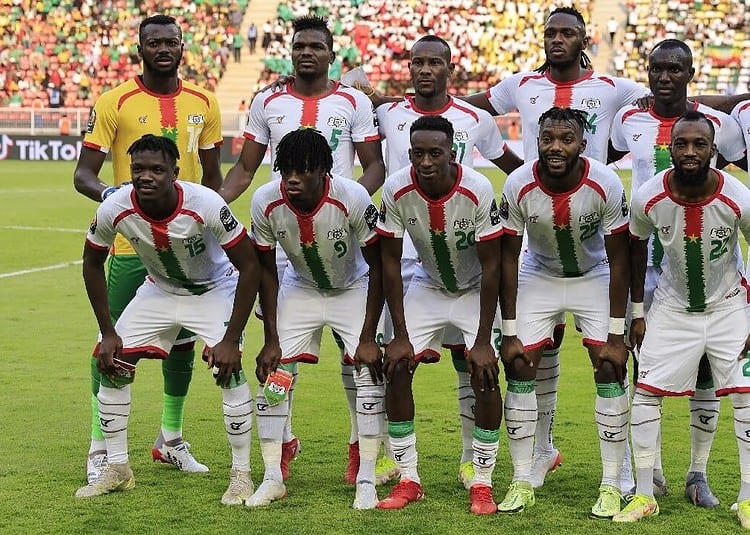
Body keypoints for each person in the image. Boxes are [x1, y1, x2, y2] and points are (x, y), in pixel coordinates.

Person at [461, 6, 647, 493]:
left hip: (594, 261)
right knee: (526, 356)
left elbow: (665, 97)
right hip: (538, 260)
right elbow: (465, 108)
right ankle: (535, 459)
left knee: (610, 359)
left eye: (568, 32)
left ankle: (621, 472)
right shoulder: (520, 84)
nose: (558, 39)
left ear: (586, 38)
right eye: (551, 32)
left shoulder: (612, 88)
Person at [220, 15, 387, 485]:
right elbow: (244, 170)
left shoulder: (352, 100)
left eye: (316, 45)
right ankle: (282, 446)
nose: (307, 52)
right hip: (289, 249)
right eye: (299, 46)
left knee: (357, 357)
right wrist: (210, 204)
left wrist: (347, 207)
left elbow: (372, 165)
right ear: (290, 52)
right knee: (278, 358)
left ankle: (362, 448)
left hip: (344, 237)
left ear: (332, 54)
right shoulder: (267, 101)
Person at [73, 14, 224, 485]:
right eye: (153, 42)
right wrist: (117, 201)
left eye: (170, 41)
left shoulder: (204, 101)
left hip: (191, 250)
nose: (163, 48)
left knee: (181, 347)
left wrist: (211, 224)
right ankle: (101, 449)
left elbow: (215, 176)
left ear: (183, 47)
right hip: (131, 246)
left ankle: (170, 439)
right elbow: (83, 175)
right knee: (112, 347)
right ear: (140, 48)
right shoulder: (114, 101)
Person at [75, 134, 259, 505]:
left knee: (228, 369)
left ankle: (242, 475)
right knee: (111, 361)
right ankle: (117, 467)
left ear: (174, 173)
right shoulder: (114, 207)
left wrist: (231, 337)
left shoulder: (206, 203)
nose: (146, 177)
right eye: (138, 169)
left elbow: (251, 265)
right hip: (159, 289)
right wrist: (108, 332)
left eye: (157, 170)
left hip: (213, 289)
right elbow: (92, 264)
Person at [374, 34, 521, 490]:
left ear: (449, 67)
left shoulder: (476, 124)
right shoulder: (388, 115)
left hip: (471, 264)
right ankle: (398, 470)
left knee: (476, 364)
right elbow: (359, 111)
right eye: (416, 62)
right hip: (416, 267)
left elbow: (511, 167)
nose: (424, 69)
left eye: (433, 62)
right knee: (392, 362)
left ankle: (476, 470)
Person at [609, 39, 746, 505]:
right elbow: (600, 165)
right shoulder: (627, 120)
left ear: (690, 72)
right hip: (650, 272)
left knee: (708, 367)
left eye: (675, 69)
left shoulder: (721, 125)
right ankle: (650, 476)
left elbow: (735, 171)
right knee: (643, 367)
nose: (664, 77)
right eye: (656, 69)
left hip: (714, 261)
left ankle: (697, 475)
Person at [498, 107, 630, 518]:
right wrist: (509, 329)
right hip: (539, 273)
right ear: (536, 141)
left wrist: (614, 333)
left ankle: (613, 480)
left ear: (583, 144)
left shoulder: (605, 183)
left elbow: (620, 258)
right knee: (519, 363)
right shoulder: (518, 183)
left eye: (566, 139)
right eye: (547, 138)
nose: (555, 147)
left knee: (609, 366)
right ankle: (521, 478)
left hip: (595, 274)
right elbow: (506, 258)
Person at [247, 128, 384, 510]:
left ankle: (367, 478)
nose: (292, 178)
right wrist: (271, 339)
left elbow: (379, 267)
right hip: (300, 288)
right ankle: (273, 476)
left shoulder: (352, 197)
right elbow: (266, 271)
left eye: (303, 170)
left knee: (368, 377)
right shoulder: (264, 201)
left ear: (324, 169)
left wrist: (369, 335)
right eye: (286, 169)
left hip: (354, 287)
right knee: (276, 378)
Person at [375, 115, 503, 515]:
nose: (426, 161)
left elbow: (494, 267)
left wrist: (482, 341)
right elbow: (390, 263)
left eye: (435, 153)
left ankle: (482, 482)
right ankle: (408, 477)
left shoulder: (477, 189)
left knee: (484, 375)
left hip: (476, 289)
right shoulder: (397, 188)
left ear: (453, 153)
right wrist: (398, 332)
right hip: (428, 286)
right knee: (396, 366)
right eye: (418, 153)